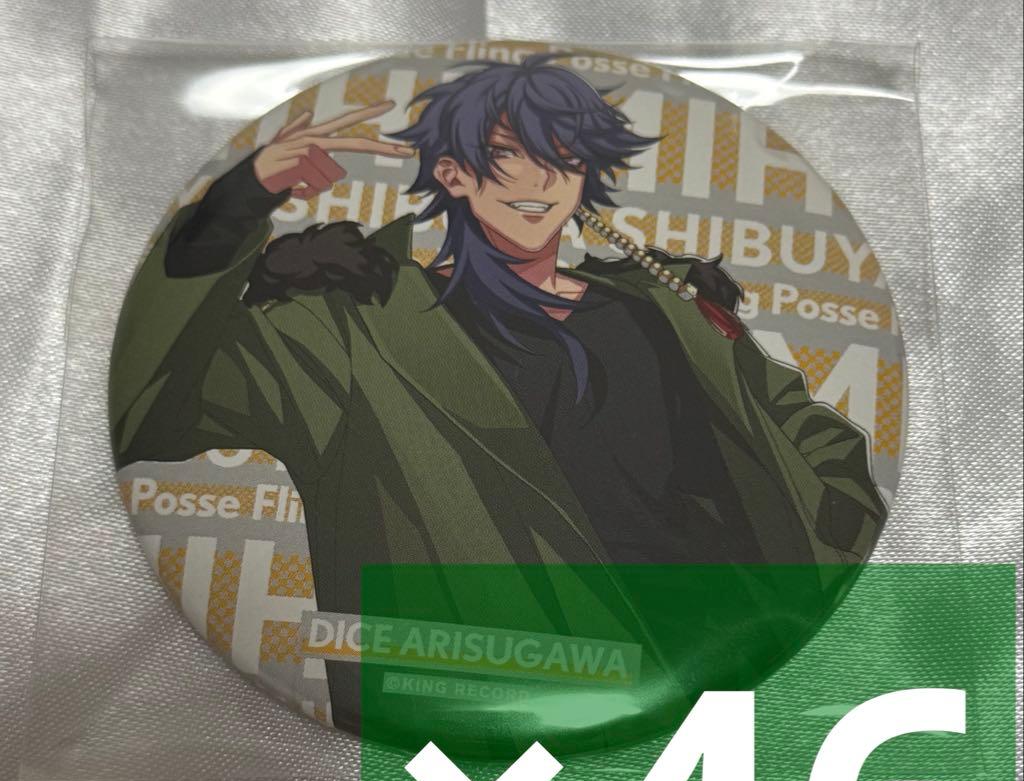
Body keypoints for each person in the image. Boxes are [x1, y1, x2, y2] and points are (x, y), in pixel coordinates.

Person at [109, 55, 887, 735]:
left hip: (737, 672)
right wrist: (241, 199)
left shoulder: (663, 304)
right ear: (453, 173)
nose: (540, 180)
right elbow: (151, 406)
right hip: (513, 701)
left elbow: (799, 429)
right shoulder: (352, 330)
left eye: (564, 158)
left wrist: (835, 556)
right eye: (509, 154)